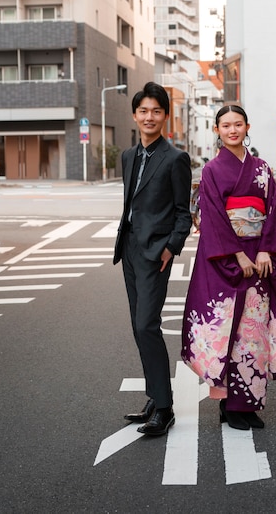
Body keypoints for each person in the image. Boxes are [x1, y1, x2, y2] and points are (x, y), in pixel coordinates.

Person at [181, 104, 276, 430]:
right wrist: (238, 256)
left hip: (259, 258)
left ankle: (249, 405)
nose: (232, 130)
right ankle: (228, 407)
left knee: (253, 333)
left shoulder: (261, 169)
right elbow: (214, 216)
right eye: (226, 125)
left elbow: (271, 211)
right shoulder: (213, 171)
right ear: (217, 130)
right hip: (224, 262)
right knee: (225, 330)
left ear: (247, 127)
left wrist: (264, 252)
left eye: (238, 124)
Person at [113, 82, 192, 436]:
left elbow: (183, 214)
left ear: (165, 116)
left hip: (155, 252)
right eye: (143, 111)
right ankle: (154, 395)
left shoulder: (175, 159)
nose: (149, 116)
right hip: (129, 247)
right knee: (137, 327)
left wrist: (170, 247)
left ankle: (165, 408)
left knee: (147, 325)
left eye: (156, 111)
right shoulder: (129, 156)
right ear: (135, 115)